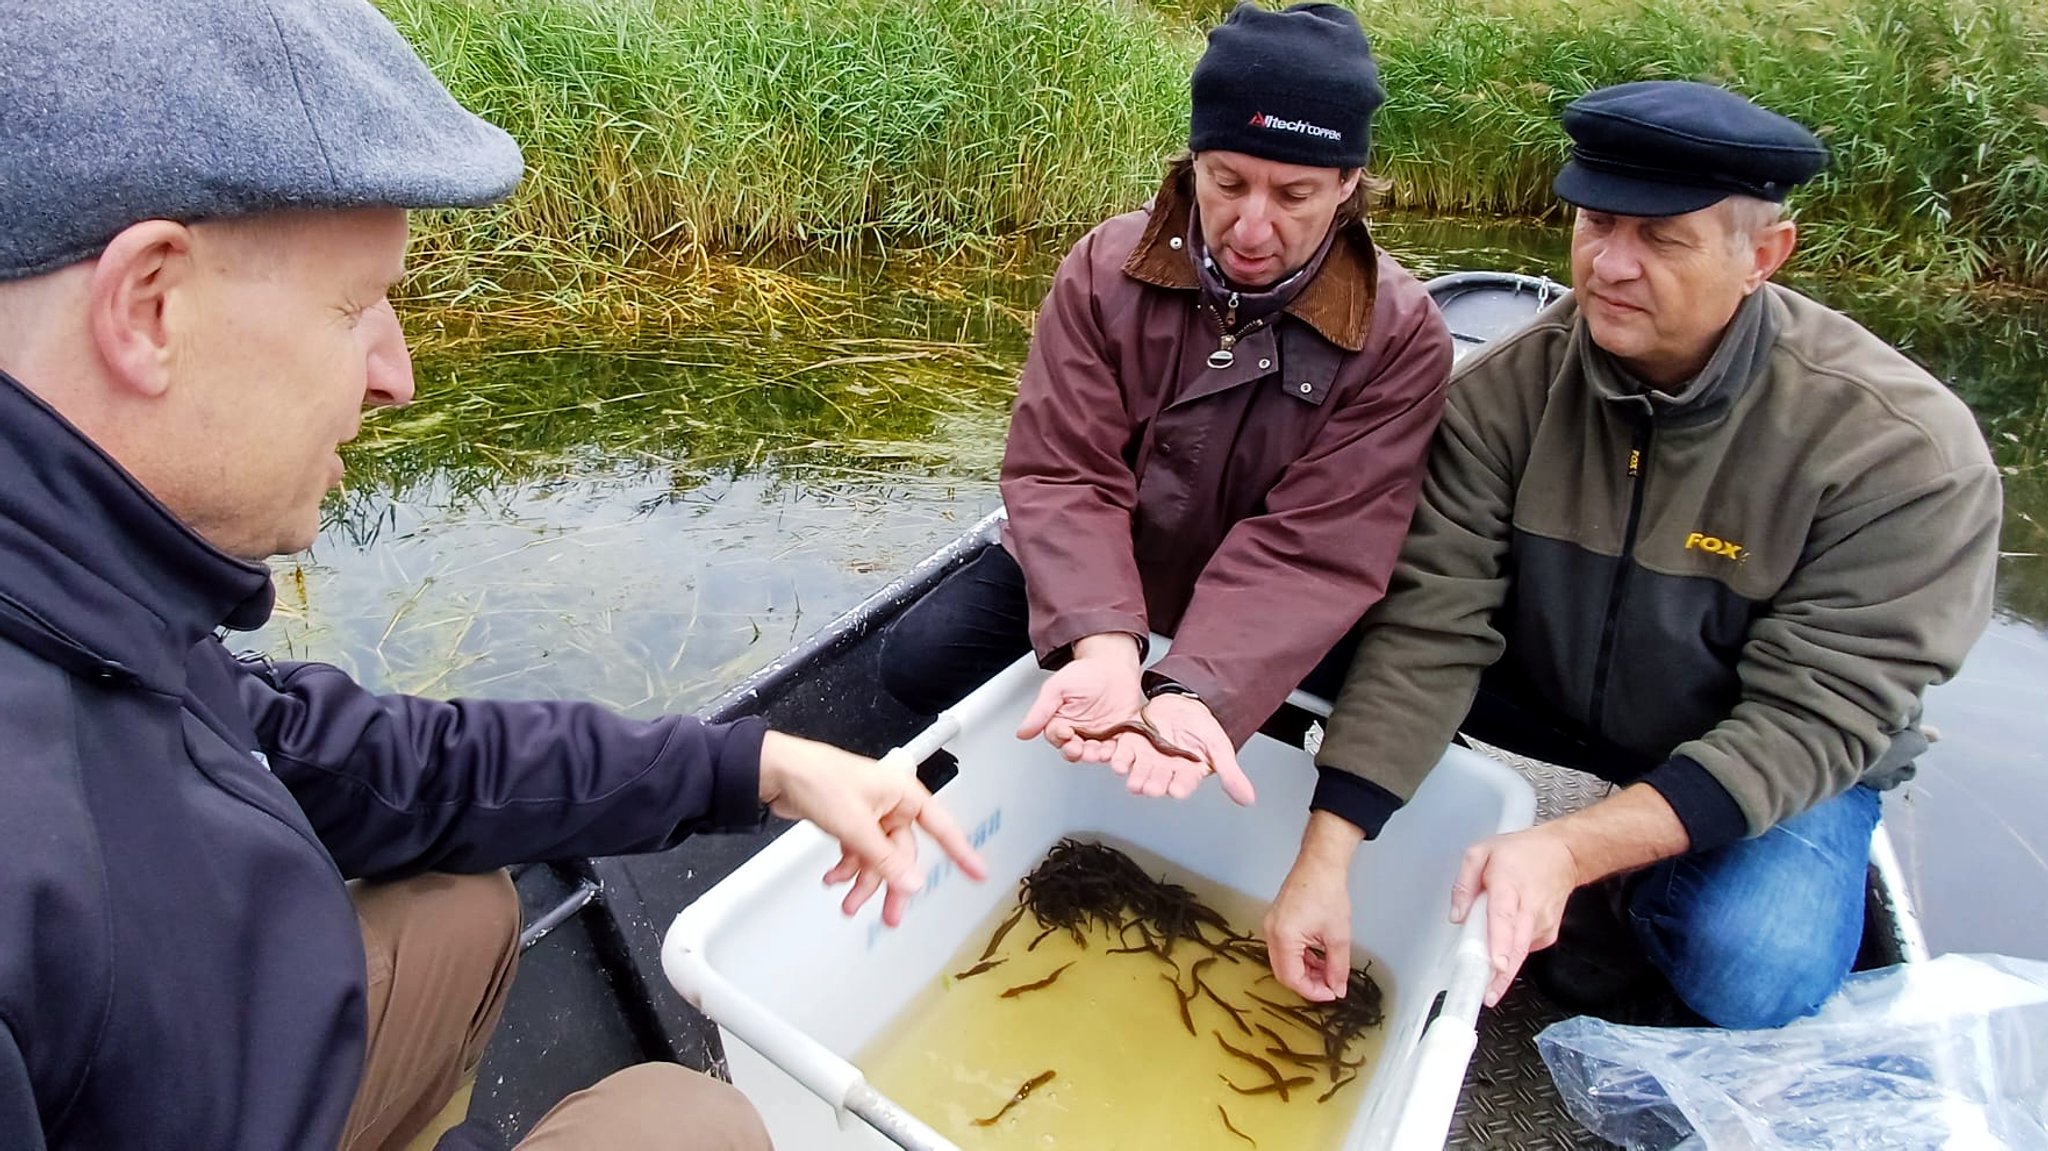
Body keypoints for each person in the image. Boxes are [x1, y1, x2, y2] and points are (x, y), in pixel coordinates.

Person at [0, 3, 985, 1149]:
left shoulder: (101, 601)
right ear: (148, 307)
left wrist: (755, 763)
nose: (397, 375)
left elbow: (358, 760)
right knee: (686, 1122)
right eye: (356, 305)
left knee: (464, 900)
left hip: (216, 1063)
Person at [1264, 80, 2002, 1029]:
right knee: (1307, 616)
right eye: (1597, 223)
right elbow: (1432, 627)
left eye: (1662, 239)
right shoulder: (1501, 394)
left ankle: (1625, 895)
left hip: (1751, 728)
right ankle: (1387, 817)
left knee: (1754, 966)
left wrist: (1572, 849)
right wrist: (1329, 852)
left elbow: (1815, 717)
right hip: (1548, 693)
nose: (1610, 265)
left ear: (1764, 256)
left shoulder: (1903, 452)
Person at [878, 2, 1452, 806]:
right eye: (1227, 182)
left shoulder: (1402, 333)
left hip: (1267, 603)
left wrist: (1195, 689)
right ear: (1194, 161)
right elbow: (1065, 472)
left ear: (1348, 182)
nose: (1252, 228)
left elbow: (1315, 548)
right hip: (1112, 560)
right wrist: (1105, 644)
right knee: (917, 661)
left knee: (1342, 741)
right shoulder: (1104, 267)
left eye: (1294, 194)